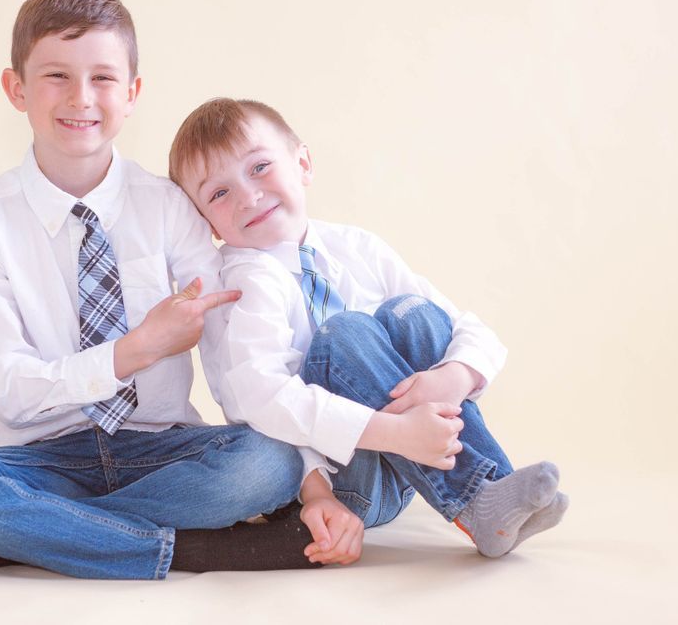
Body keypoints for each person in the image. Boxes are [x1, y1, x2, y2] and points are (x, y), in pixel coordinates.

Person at [0, 0, 318, 581]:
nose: (81, 97)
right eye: (56, 75)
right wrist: (135, 350)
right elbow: (5, 386)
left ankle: (26, 536)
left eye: (102, 78)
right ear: (16, 88)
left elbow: (233, 348)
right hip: (44, 457)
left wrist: (310, 476)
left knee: (268, 463)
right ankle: (191, 549)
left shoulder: (167, 206)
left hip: (161, 447)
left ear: (131, 94)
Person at [168, 97, 569, 565]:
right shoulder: (240, 284)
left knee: (414, 314)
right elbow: (258, 400)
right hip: (338, 484)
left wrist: (454, 377)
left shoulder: (356, 246)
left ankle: (494, 495)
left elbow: (466, 327)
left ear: (303, 164)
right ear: (207, 223)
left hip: (410, 475)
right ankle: (477, 501)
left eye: (259, 167)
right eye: (219, 194)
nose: (248, 197)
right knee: (344, 333)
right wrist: (388, 438)